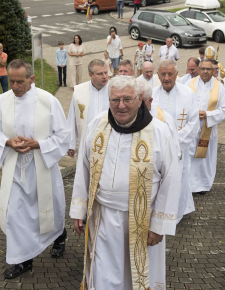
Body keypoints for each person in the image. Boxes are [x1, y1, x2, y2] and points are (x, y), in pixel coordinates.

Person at [70, 75, 181, 290]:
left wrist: (159, 225)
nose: (120, 106)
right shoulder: (97, 125)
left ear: (139, 99)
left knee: (136, 278)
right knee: (103, 274)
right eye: (115, 100)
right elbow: (83, 167)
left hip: (142, 221)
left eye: (127, 99)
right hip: (102, 218)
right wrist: (78, 209)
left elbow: (171, 179)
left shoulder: (159, 132)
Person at [0, 59, 71, 279]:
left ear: (31, 79)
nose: (14, 87)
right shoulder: (2, 101)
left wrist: (38, 144)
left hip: (41, 168)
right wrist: (7, 142)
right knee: (15, 216)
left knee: (47, 213)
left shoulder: (47, 101)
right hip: (15, 169)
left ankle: (60, 235)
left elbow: (63, 136)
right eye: (11, 81)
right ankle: (22, 261)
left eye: (19, 82)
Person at [152, 59, 199, 223]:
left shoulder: (188, 94)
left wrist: (175, 142)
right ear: (158, 75)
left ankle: (175, 216)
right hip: (157, 150)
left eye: (170, 74)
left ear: (176, 74)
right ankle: (157, 215)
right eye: (163, 74)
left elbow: (194, 123)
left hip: (179, 149)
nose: (166, 78)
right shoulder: (151, 95)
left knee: (178, 181)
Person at [185, 59, 225, 195]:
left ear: (213, 70)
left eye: (208, 69)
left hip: (207, 129)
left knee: (204, 159)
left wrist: (208, 115)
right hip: (190, 128)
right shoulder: (189, 84)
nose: (205, 72)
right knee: (189, 156)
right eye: (202, 68)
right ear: (198, 69)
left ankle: (202, 185)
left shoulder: (219, 87)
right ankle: (188, 184)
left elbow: (224, 109)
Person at [67, 59, 109, 158]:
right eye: (100, 74)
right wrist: (71, 144)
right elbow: (72, 119)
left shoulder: (114, 89)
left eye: (106, 72)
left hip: (109, 143)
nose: (104, 76)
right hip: (86, 142)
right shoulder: (79, 91)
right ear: (90, 75)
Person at [138, 78, 180, 159]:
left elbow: (174, 150)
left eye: (141, 102)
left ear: (150, 101)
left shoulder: (165, 119)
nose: (137, 105)